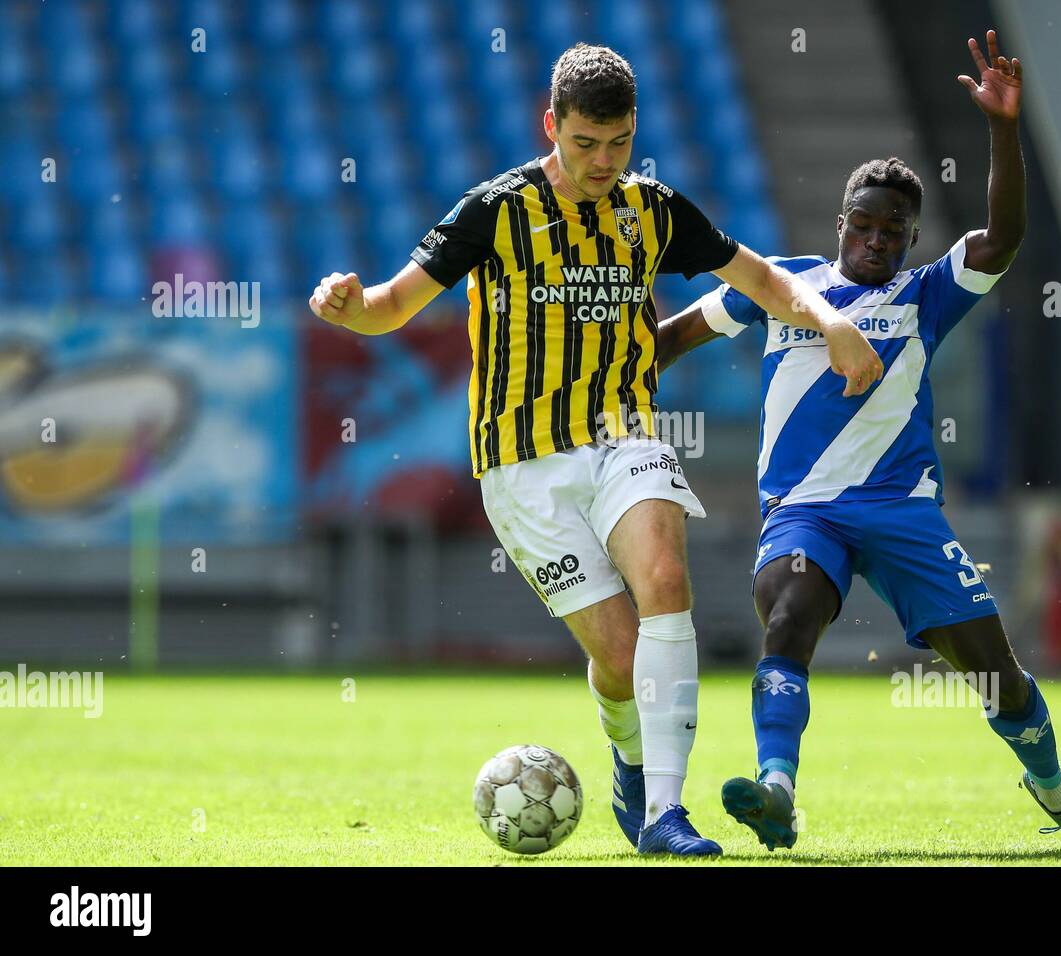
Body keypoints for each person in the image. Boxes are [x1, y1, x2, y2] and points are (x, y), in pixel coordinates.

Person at [307, 43, 882, 856]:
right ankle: (628, 754)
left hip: (624, 438)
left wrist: (832, 321)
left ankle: (664, 816)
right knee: (619, 659)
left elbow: (761, 279)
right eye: (585, 144)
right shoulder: (495, 211)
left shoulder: (653, 208)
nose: (603, 162)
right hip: (521, 465)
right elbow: (391, 306)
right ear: (552, 126)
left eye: (618, 143)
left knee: (666, 582)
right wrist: (348, 303)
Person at [655, 31, 1061, 852]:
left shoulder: (925, 295)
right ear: (842, 223)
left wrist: (1004, 129)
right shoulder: (783, 286)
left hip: (902, 513)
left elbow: (1003, 239)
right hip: (804, 514)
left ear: (909, 238)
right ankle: (775, 788)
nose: (875, 241)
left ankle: (1056, 792)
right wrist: (593, 359)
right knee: (789, 617)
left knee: (996, 677)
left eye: (892, 231)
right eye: (863, 226)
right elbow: (674, 337)